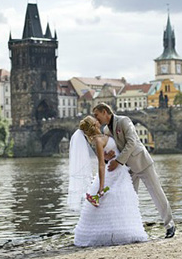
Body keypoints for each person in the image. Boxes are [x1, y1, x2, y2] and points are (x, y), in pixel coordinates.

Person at [92, 103, 176, 238]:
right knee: (129, 199)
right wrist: (108, 158)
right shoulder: (106, 131)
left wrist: (118, 161)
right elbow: (113, 150)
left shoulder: (124, 121)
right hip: (128, 169)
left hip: (142, 162)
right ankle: (132, 229)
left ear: (105, 112)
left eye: (97, 115)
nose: (96, 119)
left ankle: (169, 225)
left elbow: (132, 142)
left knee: (157, 194)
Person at [68, 116, 148, 247]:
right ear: (94, 125)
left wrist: (107, 156)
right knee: (115, 199)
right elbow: (100, 164)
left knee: (123, 199)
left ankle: (124, 231)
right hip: (112, 171)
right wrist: (101, 186)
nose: (98, 120)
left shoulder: (104, 134)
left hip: (119, 170)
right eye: (95, 120)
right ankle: (112, 233)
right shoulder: (98, 140)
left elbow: (104, 156)